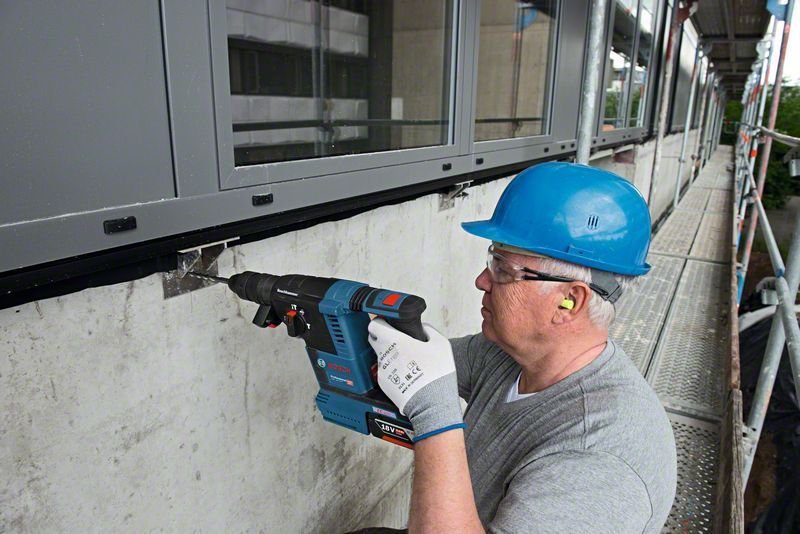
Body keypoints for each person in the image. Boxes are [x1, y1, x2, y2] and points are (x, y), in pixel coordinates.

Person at [367, 162, 677, 533]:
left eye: (502, 268)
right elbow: (421, 363)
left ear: (569, 302)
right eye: (491, 259)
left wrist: (435, 415)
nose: (481, 280)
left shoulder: (597, 460)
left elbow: (430, 393)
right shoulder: (509, 356)